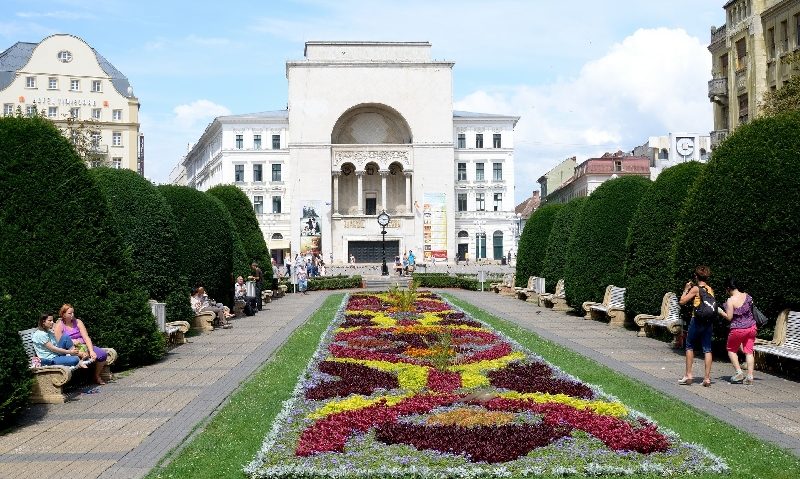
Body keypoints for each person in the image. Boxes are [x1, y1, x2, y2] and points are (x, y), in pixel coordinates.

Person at [678, 266, 715, 387]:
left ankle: (688, 375)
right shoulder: (710, 289)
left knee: (689, 346)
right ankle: (707, 378)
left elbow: (682, 301)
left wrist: (685, 289)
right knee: (707, 348)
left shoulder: (695, 288)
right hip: (708, 321)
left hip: (697, 320)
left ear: (696, 276)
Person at [54, 304, 108, 384]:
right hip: (72, 350)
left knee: (102, 354)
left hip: (85, 346)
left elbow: (86, 337)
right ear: (63, 314)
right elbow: (61, 344)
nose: (72, 315)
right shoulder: (59, 326)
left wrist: (91, 350)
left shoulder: (78, 322)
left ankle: (96, 376)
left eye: (73, 313)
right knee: (81, 355)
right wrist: (73, 342)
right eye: (70, 313)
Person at [718, 278, 757, 385]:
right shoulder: (747, 296)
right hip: (752, 327)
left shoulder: (730, 301)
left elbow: (729, 317)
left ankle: (739, 372)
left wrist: (721, 312)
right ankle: (750, 376)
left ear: (728, 288)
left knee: (731, 350)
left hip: (738, 329)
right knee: (749, 352)